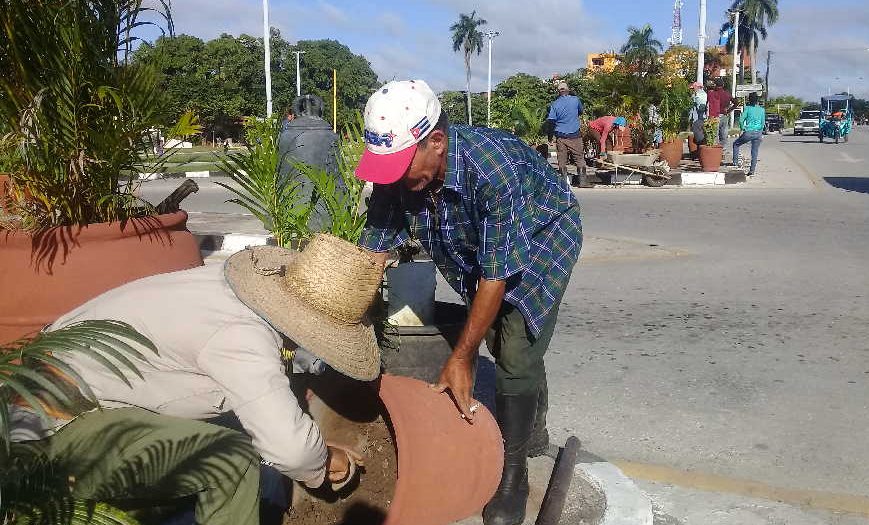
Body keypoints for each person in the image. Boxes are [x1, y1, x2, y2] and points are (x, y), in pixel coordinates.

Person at [10, 235, 380, 525]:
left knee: (240, 438)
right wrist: (325, 459)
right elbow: (290, 450)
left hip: (55, 389)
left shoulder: (226, 286)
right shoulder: (242, 337)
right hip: (51, 429)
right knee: (231, 465)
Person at [354, 80, 582, 525]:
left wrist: (462, 356)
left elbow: (496, 276)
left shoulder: (493, 167)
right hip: (474, 246)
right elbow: (373, 250)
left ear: (436, 142)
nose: (393, 178)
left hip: (542, 237)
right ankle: (533, 420)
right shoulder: (399, 174)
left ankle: (513, 474)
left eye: (400, 165)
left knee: (514, 345)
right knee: (500, 339)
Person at [546, 82, 588, 187]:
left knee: (562, 159)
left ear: (559, 92)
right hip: (574, 135)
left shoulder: (554, 104)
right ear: (568, 90)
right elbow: (581, 111)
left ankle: (563, 183)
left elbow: (551, 121)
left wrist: (550, 137)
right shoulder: (575, 100)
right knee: (579, 157)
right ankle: (582, 182)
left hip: (560, 136)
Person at [732, 92, 765, 177]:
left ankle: (735, 163)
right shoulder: (762, 110)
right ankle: (752, 171)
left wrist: (743, 128)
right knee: (754, 152)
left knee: (736, 144)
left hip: (749, 132)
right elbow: (762, 123)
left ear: (749, 100)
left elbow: (741, 120)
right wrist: (760, 132)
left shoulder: (747, 108)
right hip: (758, 133)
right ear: (757, 100)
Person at [707, 78, 737, 155]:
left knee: (715, 135)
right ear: (723, 85)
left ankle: (715, 152)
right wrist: (729, 110)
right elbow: (736, 102)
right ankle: (721, 151)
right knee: (724, 135)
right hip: (724, 115)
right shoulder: (727, 94)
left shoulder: (713, 94)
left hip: (715, 116)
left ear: (715, 85)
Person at [689, 81, 707, 152]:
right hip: (702, 117)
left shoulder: (697, 95)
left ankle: (699, 148)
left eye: (693, 88)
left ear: (698, 87)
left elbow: (692, 107)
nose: (692, 89)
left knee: (697, 133)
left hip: (698, 118)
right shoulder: (704, 94)